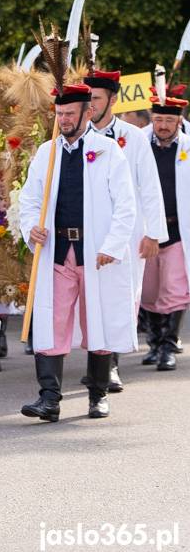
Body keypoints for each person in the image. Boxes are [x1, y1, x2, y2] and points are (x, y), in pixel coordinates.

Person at [19, 83, 136, 422]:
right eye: (59, 114)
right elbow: (29, 200)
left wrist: (112, 246)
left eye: (70, 113)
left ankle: (98, 396)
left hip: (96, 252)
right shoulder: (46, 153)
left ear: (88, 112)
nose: (64, 119)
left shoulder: (108, 150)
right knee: (51, 322)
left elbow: (125, 205)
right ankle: (49, 399)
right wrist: (31, 228)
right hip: (57, 251)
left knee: (96, 321)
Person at [85, 68, 167, 388]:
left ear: (113, 100)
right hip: (91, 231)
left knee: (122, 297)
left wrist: (153, 233)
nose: (89, 105)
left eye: (96, 99)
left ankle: (113, 364)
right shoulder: (77, 136)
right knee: (92, 298)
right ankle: (96, 361)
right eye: (87, 98)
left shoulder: (133, 137)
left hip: (129, 231)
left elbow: (149, 186)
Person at [139, 85, 190, 372]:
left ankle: (169, 345)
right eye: (158, 120)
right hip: (147, 231)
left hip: (178, 230)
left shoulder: (188, 148)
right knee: (148, 290)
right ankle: (155, 342)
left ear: (179, 121)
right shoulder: (138, 145)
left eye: (169, 121)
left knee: (174, 288)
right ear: (152, 118)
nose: (163, 125)